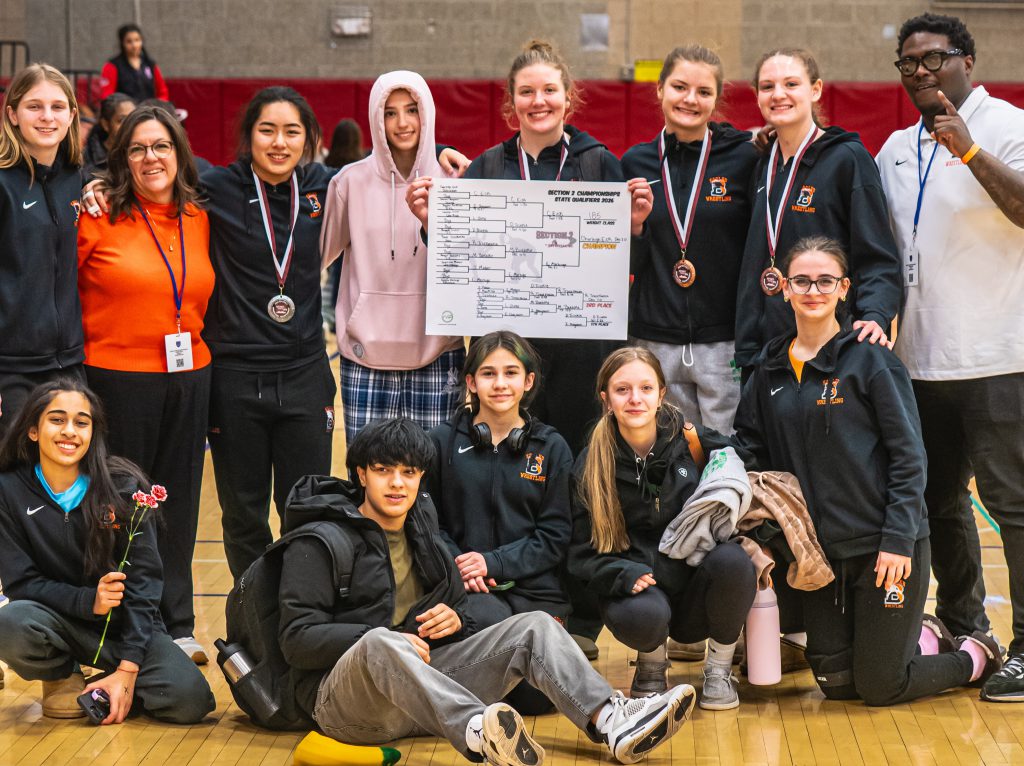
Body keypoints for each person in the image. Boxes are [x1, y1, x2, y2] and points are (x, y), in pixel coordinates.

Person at [278, 417, 696, 766]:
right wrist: (387, 639)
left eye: (408, 472)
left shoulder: (420, 524)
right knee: (379, 642)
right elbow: (296, 640)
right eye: (384, 470)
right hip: (345, 706)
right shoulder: (321, 540)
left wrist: (457, 616)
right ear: (361, 474)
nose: (397, 484)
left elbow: (456, 596)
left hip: (419, 698)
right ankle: (480, 732)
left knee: (534, 626)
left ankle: (610, 720)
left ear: (421, 477)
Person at [733, 236, 1002, 705]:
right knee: (837, 685)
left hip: (885, 549)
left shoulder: (870, 360)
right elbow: (750, 451)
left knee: (881, 685)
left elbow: (909, 457)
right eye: (801, 280)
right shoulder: (768, 368)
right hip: (819, 557)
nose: (813, 290)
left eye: (825, 281)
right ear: (785, 290)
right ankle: (921, 639)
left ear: (844, 289)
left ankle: (975, 654)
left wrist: (899, 540)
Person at [875, 12, 1024, 702]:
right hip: (918, 362)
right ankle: (971, 628)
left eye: (933, 60)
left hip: (998, 357)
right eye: (908, 65)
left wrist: (969, 151)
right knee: (939, 504)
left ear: (967, 59)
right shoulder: (896, 148)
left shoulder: (1008, 126)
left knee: (1013, 507)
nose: (920, 74)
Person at [407, 40, 653, 455]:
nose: (539, 102)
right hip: (509, 352)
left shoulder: (600, 165)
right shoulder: (485, 168)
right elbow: (460, 260)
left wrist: (635, 229)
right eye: (527, 92)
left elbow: (632, 268)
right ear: (511, 102)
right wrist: (434, 224)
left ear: (568, 98)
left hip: (584, 354)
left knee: (581, 463)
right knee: (508, 460)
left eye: (549, 91)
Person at [77, 105, 215, 664]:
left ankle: (177, 622)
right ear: (121, 159)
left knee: (177, 503)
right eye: (137, 148)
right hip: (116, 379)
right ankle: (126, 628)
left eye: (160, 146)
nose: (150, 157)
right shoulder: (96, 214)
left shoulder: (198, 217)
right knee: (123, 507)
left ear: (179, 153)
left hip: (189, 374)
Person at [0, 379, 215, 724]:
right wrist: (89, 602)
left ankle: (106, 686)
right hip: (58, 621)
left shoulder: (124, 487)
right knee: (9, 623)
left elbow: (145, 584)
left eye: (81, 422)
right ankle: (62, 674)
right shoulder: (9, 489)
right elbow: (20, 584)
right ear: (33, 430)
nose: (70, 431)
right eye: (57, 420)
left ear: (93, 432)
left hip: (126, 628)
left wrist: (128, 670)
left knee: (190, 700)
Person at [200, 87, 339, 581]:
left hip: (304, 374)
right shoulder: (215, 186)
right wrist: (98, 184)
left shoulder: (325, 185)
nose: (279, 142)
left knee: (308, 511)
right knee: (243, 516)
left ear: (309, 140)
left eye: (292, 131)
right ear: (248, 136)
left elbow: (389, 176)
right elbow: (152, 164)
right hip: (235, 378)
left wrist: (447, 158)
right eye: (267, 130)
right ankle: (251, 623)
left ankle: (302, 615)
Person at [569, 346, 757, 709]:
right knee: (644, 613)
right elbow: (578, 556)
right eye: (622, 390)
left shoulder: (692, 441)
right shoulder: (589, 465)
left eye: (645, 388)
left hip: (695, 590)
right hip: (641, 594)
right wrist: (621, 574)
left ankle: (718, 671)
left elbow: (741, 469)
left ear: (661, 395)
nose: (635, 399)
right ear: (605, 398)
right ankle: (652, 665)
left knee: (735, 563)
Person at [426, 331, 573, 713]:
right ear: (471, 382)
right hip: (470, 591)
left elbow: (555, 535)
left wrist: (494, 562)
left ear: (528, 381)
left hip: (536, 593)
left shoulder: (552, 447)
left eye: (511, 372)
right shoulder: (440, 443)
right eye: (488, 374)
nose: (500, 383)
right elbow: (430, 526)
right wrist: (462, 565)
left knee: (538, 701)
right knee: (491, 641)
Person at [734, 48, 902, 377]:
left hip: (830, 345)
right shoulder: (761, 164)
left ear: (816, 89)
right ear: (756, 96)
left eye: (791, 84)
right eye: (767, 87)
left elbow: (878, 254)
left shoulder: (848, 160)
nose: (778, 94)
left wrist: (875, 315)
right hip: (764, 350)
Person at [320, 72, 465, 444]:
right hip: (365, 356)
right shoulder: (349, 182)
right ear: (375, 118)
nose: (402, 123)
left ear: (427, 114)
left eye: (412, 110)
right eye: (390, 112)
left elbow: (473, 268)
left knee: (434, 480)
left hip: (438, 354)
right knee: (369, 478)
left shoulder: (455, 180)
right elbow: (317, 258)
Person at [622, 45, 758, 433]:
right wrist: (635, 229)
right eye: (680, 87)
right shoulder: (635, 163)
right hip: (652, 339)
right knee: (662, 458)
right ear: (660, 90)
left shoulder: (744, 159)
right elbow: (626, 263)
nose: (690, 100)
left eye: (703, 92)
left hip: (723, 341)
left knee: (726, 460)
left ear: (717, 100)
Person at [0, 64, 86, 438]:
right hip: (11, 370)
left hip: (69, 364)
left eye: (57, 106)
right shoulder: (3, 183)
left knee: (68, 489)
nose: (47, 117)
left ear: (71, 115)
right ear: (12, 114)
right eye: (34, 106)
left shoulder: (80, 179)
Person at [99, 24, 170, 102]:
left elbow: (163, 92)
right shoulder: (112, 66)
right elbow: (107, 96)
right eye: (129, 41)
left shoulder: (150, 64)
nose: (134, 45)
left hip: (149, 111)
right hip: (125, 112)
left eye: (137, 40)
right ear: (122, 43)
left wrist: (159, 106)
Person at [83, 93, 136, 177]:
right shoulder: (86, 158)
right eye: (121, 120)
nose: (129, 124)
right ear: (106, 125)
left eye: (133, 118)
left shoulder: (142, 152)